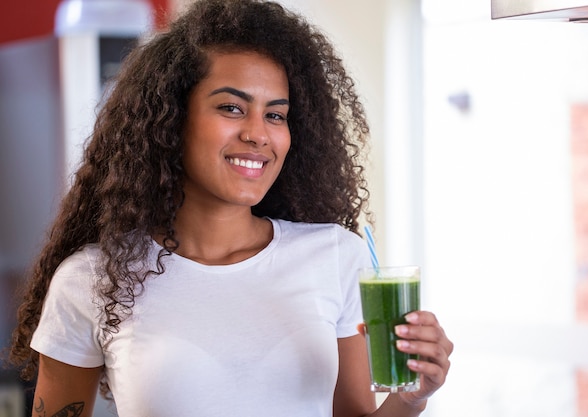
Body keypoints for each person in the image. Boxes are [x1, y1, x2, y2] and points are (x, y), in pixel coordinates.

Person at [6, 0, 453, 416]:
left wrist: (411, 398)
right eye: (232, 108)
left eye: (276, 115)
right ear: (170, 119)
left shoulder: (335, 256)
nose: (259, 134)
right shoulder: (93, 280)